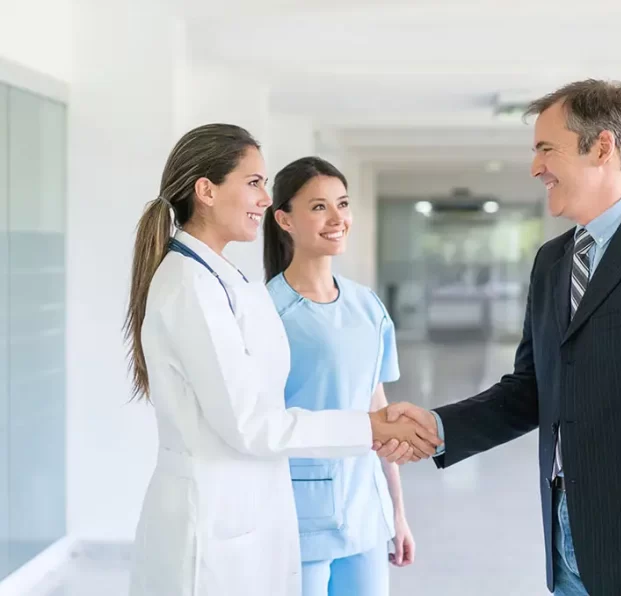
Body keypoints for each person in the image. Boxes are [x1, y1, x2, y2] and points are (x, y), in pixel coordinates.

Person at [377, 80, 621, 596]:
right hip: (568, 542)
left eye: (546, 149)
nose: (535, 168)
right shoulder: (552, 263)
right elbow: (531, 389)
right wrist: (439, 426)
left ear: (601, 147)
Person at [123, 124, 439, 596]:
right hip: (213, 521)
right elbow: (253, 424)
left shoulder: (221, 281)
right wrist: (371, 428)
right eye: (253, 183)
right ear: (206, 191)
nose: (265, 198)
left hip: (253, 508)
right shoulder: (191, 288)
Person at [263, 156, 415, 596]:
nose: (337, 219)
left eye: (342, 204)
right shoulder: (267, 311)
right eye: (318, 207)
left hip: (366, 510)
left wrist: (397, 514)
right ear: (284, 220)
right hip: (297, 515)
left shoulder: (367, 306)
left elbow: (379, 413)